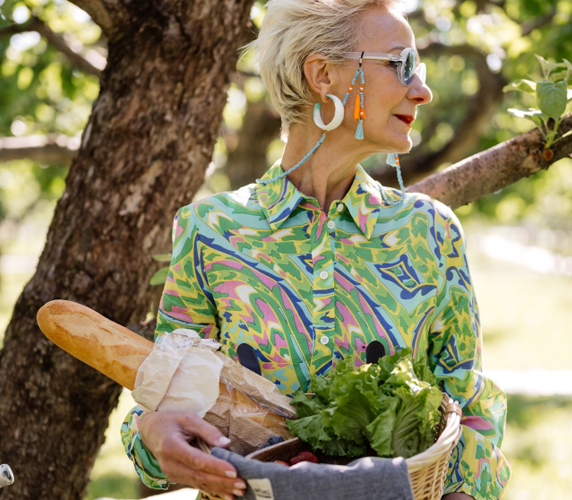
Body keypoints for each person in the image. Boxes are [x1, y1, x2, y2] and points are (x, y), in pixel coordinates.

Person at [120, 0, 510, 499]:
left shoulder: (431, 232)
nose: (422, 90)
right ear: (323, 75)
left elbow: (470, 411)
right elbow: (164, 396)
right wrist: (153, 434)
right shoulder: (209, 230)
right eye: (402, 64)